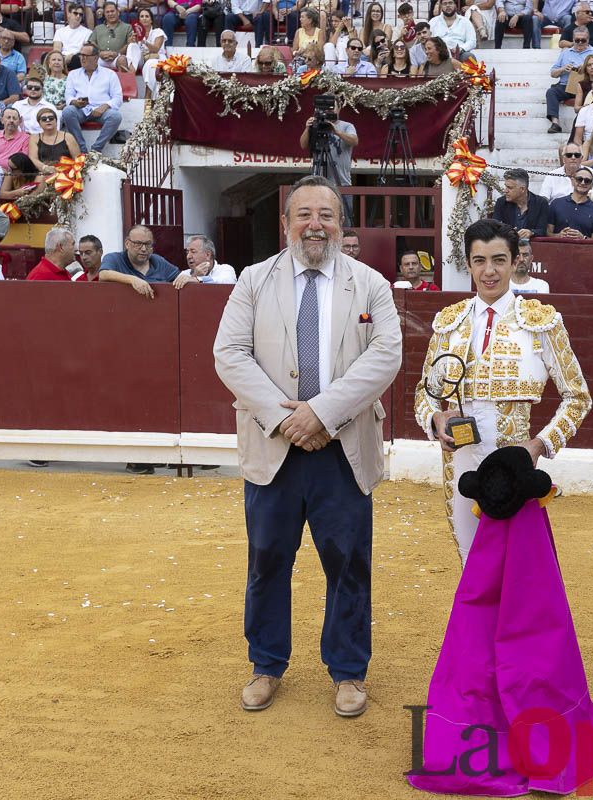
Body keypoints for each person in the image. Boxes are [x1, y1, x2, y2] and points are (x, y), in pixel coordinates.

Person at [212, 174, 400, 716]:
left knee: (347, 562)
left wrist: (321, 413)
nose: (315, 225)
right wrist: (285, 418)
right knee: (268, 559)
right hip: (274, 447)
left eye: (326, 215)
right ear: (286, 224)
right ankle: (266, 663)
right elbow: (230, 355)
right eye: (304, 215)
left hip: (342, 448)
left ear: (340, 224)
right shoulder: (252, 280)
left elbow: (384, 357)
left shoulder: (369, 284)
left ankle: (348, 671)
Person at [413, 218, 589, 565]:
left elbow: (578, 397)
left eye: (498, 260)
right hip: (459, 462)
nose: (489, 271)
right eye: (479, 261)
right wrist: (434, 419)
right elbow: (425, 392)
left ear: (514, 262)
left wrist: (539, 445)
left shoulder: (541, 322)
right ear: (468, 264)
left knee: (516, 565)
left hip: (515, 462)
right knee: (470, 561)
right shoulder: (449, 322)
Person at [62, 45, 123, 154]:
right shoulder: (73, 74)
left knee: (115, 116)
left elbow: (118, 98)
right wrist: (75, 102)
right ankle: (82, 150)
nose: (82, 58)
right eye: (81, 55)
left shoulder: (110, 74)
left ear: (95, 58)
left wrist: (104, 107)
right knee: (67, 111)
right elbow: (69, 95)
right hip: (81, 109)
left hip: (102, 110)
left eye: (86, 55)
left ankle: (95, 150)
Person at [544, 28, 593, 134]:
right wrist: (563, 69)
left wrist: (587, 67)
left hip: (588, 86)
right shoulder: (566, 52)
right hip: (566, 85)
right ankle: (555, 123)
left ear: (588, 40)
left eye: (583, 40)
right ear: (573, 39)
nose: (580, 43)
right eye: (577, 40)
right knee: (551, 92)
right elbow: (552, 73)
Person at [98, 225, 181, 297]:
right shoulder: (114, 258)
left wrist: (187, 278)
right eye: (138, 244)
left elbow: (179, 277)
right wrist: (132, 280)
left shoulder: (158, 261)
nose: (144, 249)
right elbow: (103, 274)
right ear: (127, 244)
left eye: (148, 244)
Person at [297, 96, 358, 187]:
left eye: (332, 107)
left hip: (342, 183)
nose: (329, 110)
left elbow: (354, 141)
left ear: (339, 108)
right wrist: (308, 128)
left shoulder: (347, 126)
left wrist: (336, 131)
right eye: (325, 108)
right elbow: (303, 145)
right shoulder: (315, 125)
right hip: (319, 184)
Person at [547, 166, 593, 238]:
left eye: (587, 181)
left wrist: (583, 238)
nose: (583, 183)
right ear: (572, 181)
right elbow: (547, 233)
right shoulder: (556, 203)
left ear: (591, 185)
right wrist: (558, 236)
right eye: (579, 179)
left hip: (584, 249)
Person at [492, 167, 548, 240]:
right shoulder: (501, 202)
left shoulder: (540, 203)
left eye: (510, 188)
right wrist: (510, 232)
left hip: (532, 247)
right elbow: (494, 228)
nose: (505, 191)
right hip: (508, 246)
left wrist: (531, 232)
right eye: (506, 186)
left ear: (522, 189)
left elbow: (543, 230)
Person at [88, 2, 131, 73]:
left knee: (122, 60)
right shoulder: (98, 28)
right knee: (89, 60)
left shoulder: (127, 27)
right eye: (107, 12)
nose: (110, 14)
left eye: (112, 11)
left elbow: (130, 44)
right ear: (104, 14)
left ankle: (123, 83)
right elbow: (91, 43)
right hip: (100, 57)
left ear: (118, 12)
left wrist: (117, 53)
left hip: (117, 57)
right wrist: (99, 53)